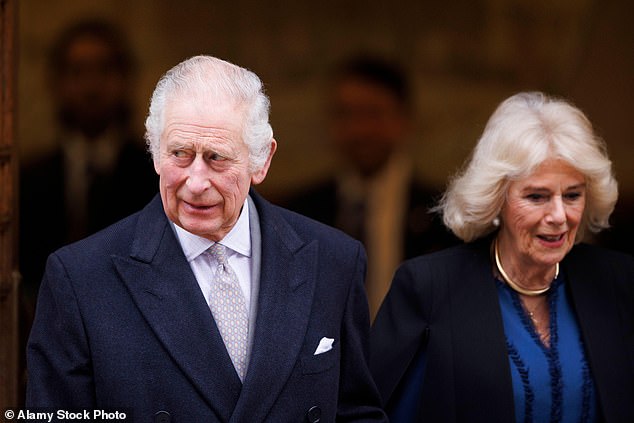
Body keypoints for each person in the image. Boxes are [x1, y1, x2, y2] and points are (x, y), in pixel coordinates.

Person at [26, 55, 387, 422]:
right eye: (180, 154)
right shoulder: (80, 279)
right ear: (155, 153)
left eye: (216, 158)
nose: (196, 183)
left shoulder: (334, 261)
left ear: (261, 161)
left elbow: (356, 412)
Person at [370, 92, 634, 422]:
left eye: (572, 195)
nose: (559, 215)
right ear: (497, 198)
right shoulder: (430, 288)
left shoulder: (616, 280)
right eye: (537, 196)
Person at [283, 55, 457, 320]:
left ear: (403, 119)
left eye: (373, 114)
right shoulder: (300, 214)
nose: (359, 130)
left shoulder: (443, 215)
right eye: (346, 115)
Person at [20, 18, 157, 305]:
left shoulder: (156, 176)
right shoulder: (29, 181)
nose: (91, 87)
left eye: (104, 70)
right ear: (57, 83)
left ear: (125, 79)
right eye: (78, 72)